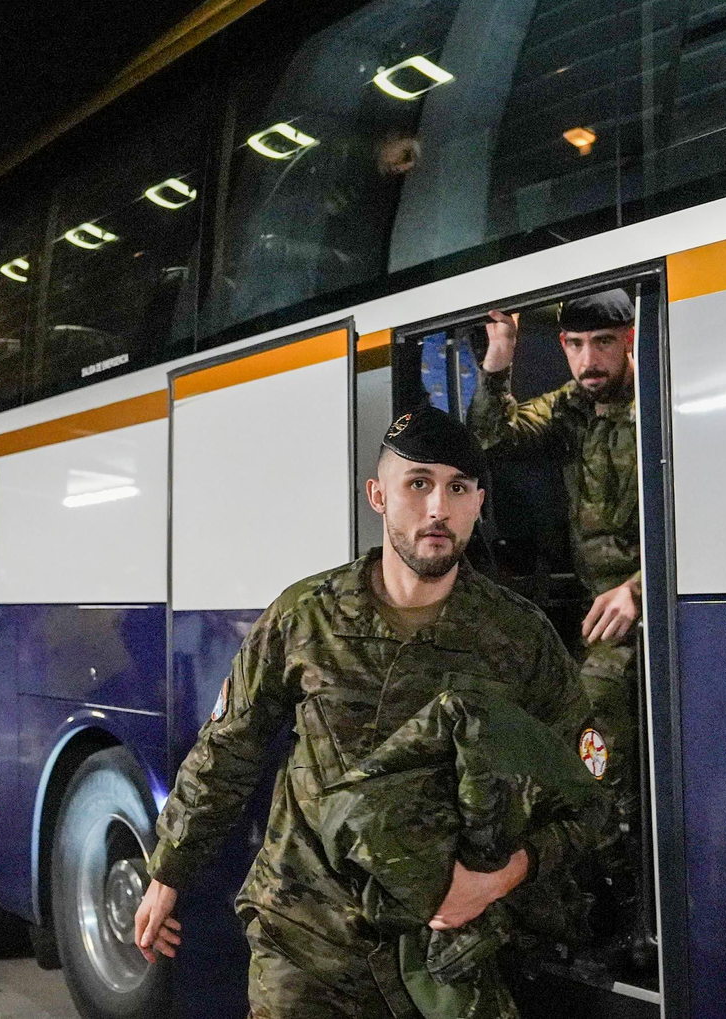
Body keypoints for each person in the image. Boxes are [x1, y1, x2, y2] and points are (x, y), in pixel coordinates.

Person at [132, 408, 592, 1019]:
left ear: (480, 502)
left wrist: (499, 878)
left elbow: (586, 794)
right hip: (303, 940)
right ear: (379, 495)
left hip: (444, 961)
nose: (438, 509)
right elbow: (229, 748)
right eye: (418, 483)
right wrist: (166, 874)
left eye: (458, 488)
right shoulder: (307, 616)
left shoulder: (519, 638)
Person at [468, 290, 646, 932]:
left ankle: (625, 911)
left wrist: (638, 588)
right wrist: (501, 357)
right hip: (598, 617)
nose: (587, 360)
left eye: (602, 343)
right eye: (574, 345)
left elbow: (708, 503)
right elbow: (490, 436)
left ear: (630, 338)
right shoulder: (572, 408)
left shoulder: (661, 395)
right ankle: (592, 900)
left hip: (649, 602)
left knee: (591, 745)